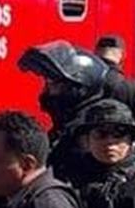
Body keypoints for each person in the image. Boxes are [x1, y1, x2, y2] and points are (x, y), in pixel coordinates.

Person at [17, 41, 110, 185]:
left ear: (77, 88)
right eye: (47, 83)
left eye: (54, 83)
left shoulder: (89, 128)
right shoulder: (66, 123)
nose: (48, 91)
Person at [94, 34, 135, 142]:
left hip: (83, 156)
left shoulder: (81, 86)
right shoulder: (134, 88)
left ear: (95, 55)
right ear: (123, 56)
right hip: (122, 154)